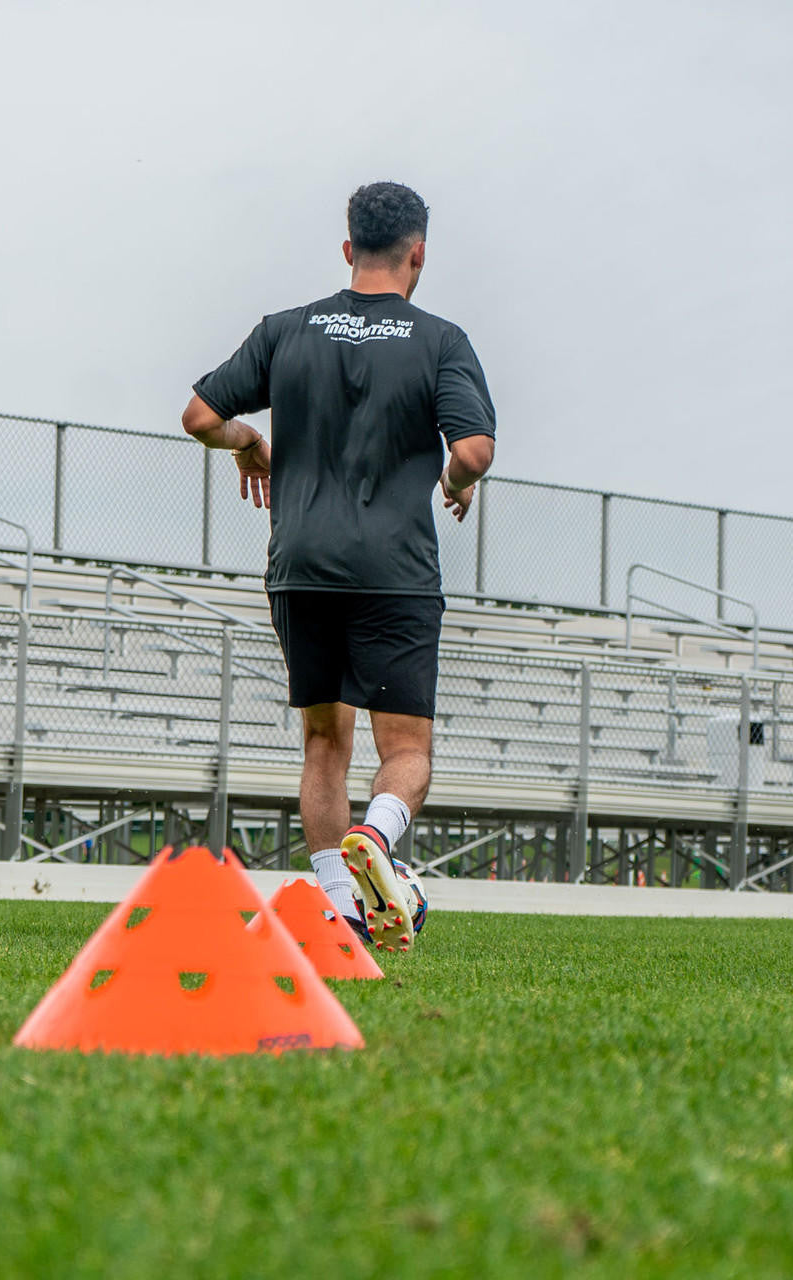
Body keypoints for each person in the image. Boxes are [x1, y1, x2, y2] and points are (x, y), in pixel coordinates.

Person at [182, 181, 495, 951]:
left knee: (325, 744)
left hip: (300, 564)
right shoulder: (440, 340)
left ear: (349, 249)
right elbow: (472, 451)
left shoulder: (286, 329)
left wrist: (248, 442)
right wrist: (454, 487)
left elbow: (199, 416)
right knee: (408, 752)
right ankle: (378, 842)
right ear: (417, 253)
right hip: (393, 569)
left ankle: (337, 912)